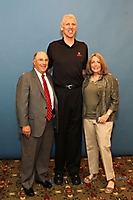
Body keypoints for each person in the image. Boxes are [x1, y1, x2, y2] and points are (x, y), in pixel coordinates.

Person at [47, 14, 88, 185]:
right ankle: (58, 171)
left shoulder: (83, 47)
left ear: (76, 27)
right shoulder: (53, 47)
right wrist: (31, 80)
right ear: (61, 27)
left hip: (77, 94)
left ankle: (73, 170)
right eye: (67, 24)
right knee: (60, 133)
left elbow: (86, 72)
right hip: (60, 94)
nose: (70, 27)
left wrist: (105, 76)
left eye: (73, 24)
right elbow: (46, 70)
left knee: (74, 134)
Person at [16, 51, 58, 196]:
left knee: (44, 153)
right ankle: (27, 182)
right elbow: (21, 104)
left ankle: (41, 177)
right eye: (40, 60)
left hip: (48, 122)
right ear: (34, 61)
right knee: (30, 155)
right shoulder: (26, 78)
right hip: (32, 124)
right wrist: (24, 124)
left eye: (46, 60)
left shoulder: (49, 78)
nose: (44, 63)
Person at [82, 53, 119, 194]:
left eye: (98, 62)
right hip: (87, 118)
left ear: (102, 64)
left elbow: (115, 101)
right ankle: (93, 172)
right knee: (91, 147)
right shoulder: (86, 80)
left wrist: (107, 114)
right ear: (89, 66)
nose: (95, 64)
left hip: (104, 120)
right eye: (93, 63)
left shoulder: (109, 79)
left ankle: (111, 178)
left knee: (104, 147)